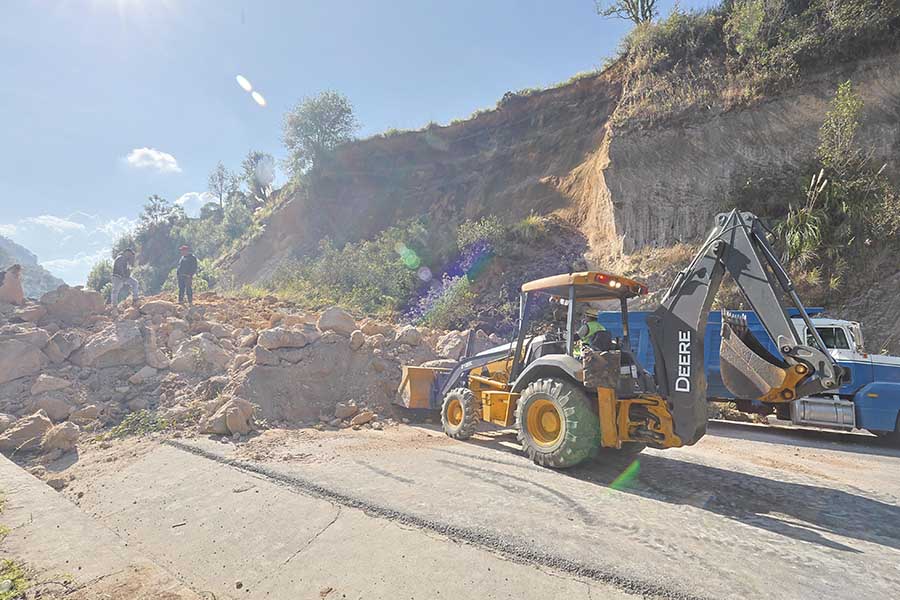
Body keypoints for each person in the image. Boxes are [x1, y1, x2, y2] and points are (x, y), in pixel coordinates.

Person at [111, 248, 139, 314]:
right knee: (115, 291)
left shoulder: (126, 260)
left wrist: (127, 274)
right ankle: (114, 306)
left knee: (135, 283)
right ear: (126, 252)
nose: (130, 256)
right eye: (130, 254)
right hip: (117, 277)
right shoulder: (120, 258)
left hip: (123, 277)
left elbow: (126, 270)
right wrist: (124, 276)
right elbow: (119, 268)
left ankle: (135, 299)